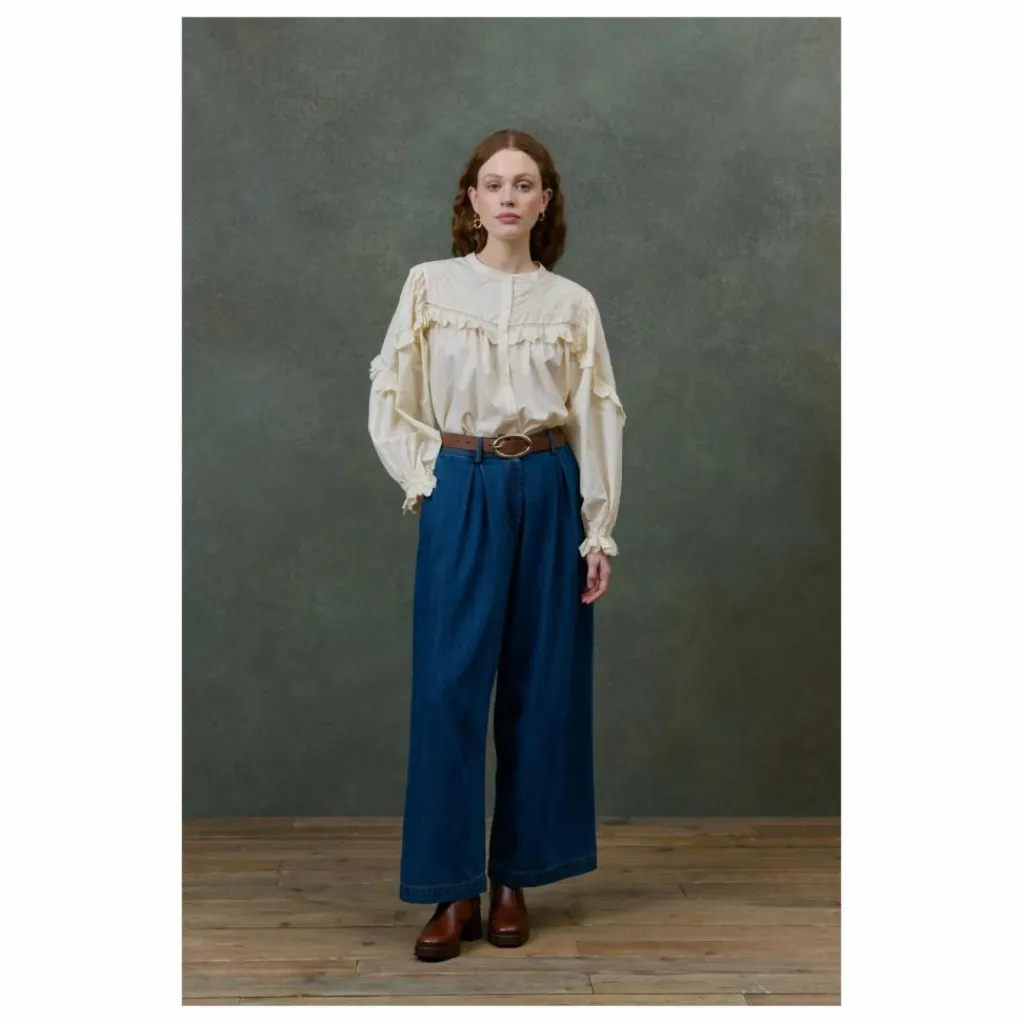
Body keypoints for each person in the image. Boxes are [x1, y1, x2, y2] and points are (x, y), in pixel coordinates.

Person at [367, 129, 626, 962]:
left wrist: (597, 526)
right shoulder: (431, 287)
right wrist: (428, 479)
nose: (509, 196)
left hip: (549, 486)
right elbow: (393, 388)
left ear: (545, 201)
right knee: (449, 688)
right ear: (472, 200)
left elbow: (596, 414)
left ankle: (515, 877)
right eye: (494, 183)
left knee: (541, 687)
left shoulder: (572, 304)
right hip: (464, 482)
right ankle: (453, 889)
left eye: (524, 183)